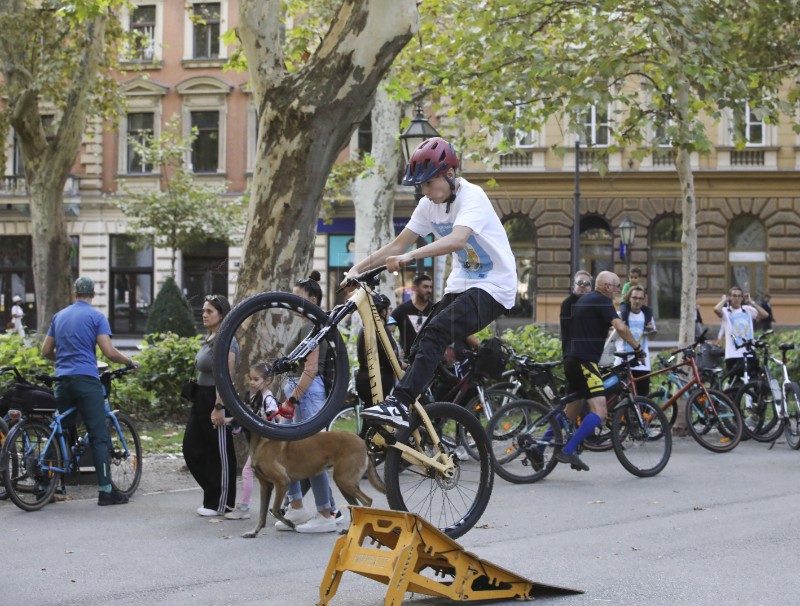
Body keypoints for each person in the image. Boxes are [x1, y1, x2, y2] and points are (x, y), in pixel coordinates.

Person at [344, 136, 517, 428]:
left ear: (450, 175)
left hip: (494, 287)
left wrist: (411, 258)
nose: (424, 191)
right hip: (462, 283)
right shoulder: (427, 206)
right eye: (420, 185)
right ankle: (428, 413)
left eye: (429, 183)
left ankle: (400, 403)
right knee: (421, 344)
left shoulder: (472, 196)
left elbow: (458, 239)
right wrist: (356, 269)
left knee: (437, 330)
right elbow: (397, 246)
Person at [41, 277, 138, 506]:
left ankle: (45, 486)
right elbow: (108, 352)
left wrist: (63, 360)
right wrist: (129, 362)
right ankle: (106, 490)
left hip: (62, 380)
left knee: (59, 431)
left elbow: (46, 350)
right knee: (98, 434)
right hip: (86, 380)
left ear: (74, 293)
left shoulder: (59, 316)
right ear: (93, 295)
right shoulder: (96, 317)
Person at [276, 272, 341, 533]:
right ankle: (297, 507)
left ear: (312, 299)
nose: (292, 301)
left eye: (297, 297)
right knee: (290, 453)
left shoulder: (312, 325)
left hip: (305, 393)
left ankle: (326, 513)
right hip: (301, 391)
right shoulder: (306, 324)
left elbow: (311, 368)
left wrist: (291, 400)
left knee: (312, 455)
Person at [559, 271, 643, 472]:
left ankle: (539, 445)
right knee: (600, 411)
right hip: (585, 361)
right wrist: (637, 348)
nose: (617, 290)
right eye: (616, 286)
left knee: (574, 406)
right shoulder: (603, 301)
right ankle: (568, 449)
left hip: (571, 359)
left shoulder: (585, 300)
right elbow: (620, 328)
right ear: (606, 286)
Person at [183, 293, 240, 517]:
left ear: (222, 315)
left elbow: (224, 376)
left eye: (209, 311)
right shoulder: (210, 337)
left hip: (216, 399)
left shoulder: (227, 340)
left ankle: (224, 503)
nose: (204, 314)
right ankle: (212, 496)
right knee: (192, 448)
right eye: (204, 310)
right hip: (201, 398)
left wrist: (218, 407)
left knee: (220, 453)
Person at [225, 363, 278, 521]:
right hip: (259, 443)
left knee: (253, 472)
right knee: (264, 474)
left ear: (267, 381)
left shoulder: (268, 399)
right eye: (251, 379)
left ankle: (244, 508)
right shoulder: (254, 396)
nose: (252, 382)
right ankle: (287, 504)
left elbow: (276, 420)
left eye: (256, 379)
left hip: (267, 444)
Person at [355, 293, 402, 406]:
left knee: (370, 417)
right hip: (379, 381)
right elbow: (388, 359)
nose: (390, 313)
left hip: (363, 378)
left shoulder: (365, 328)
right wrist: (401, 363)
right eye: (389, 309)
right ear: (383, 312)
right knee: (378, 418)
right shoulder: (381, 331)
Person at [713, 286, 768, 380]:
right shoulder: (726, 311)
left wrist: (752, 302)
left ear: (742, 298)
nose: (736, 298)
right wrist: (724, 300)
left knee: (752, 384)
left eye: (739, 296)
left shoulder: (747, 310)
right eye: (734, 296)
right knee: (736, 386)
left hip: (749, 354)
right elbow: (716, 309)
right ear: (730, 297)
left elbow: (765, 315)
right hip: (732, 355)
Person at [613, 285, 656, 395]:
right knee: (621, 399)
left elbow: (652, 336)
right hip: (622, 363)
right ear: (629, 298)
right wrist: (614, 329)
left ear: (644, 300)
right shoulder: (619, 315)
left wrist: (652, 330)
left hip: (642, 364)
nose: (637, 301)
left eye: (640, 298)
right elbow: (610, 336)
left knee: (642, 399)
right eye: (634, 298)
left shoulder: (647, 316)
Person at [390, 273, 434, 360]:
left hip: (430, 361)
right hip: (408, 362)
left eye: (430, 287)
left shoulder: (435, 310)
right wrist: (396, 349)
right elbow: (388, 332)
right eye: (425, 287)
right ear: (415, 288)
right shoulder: (401, 310)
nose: (429, 290)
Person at [560, 270, 593, 356]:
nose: (582, 285)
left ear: (590, 287)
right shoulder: (567, 303)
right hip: (573, 353)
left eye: (586, 283)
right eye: (579, 282)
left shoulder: (594, 303)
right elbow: (570, 328)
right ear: (573, 286)